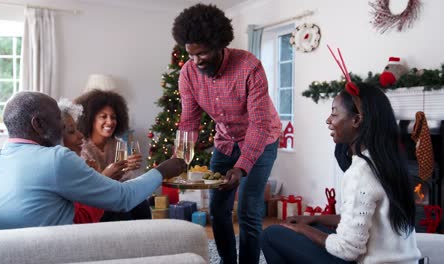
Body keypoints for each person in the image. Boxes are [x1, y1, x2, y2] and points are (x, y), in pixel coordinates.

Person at [0, 91, 186, 230]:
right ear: (38, 124)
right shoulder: (56, 158)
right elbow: (123, 198)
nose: (62, 127)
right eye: (58, 119)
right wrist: (162, 170)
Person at [260, 82, 421, 263]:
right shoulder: (388, 162)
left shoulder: (360, 172)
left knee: (271, 235)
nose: (329, 120)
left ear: (356, 120)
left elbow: (348, 250)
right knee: (317, 226)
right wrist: (314, 218)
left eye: (334, 113)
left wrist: (303, 229)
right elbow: (359, 219)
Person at [172, 4, 282, 264]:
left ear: (219, 44)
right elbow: (189, 121)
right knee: (218, 210)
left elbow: (259, 124)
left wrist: (242, 167)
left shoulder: (249, 67)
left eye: (203, 53)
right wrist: (180, 157)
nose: (197, 61)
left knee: (248, 211)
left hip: (262, 140)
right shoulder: (188, 73)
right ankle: (227, 260)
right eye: (191, 54)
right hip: (225, 142)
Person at [75, 89, 151, 221]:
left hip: (116, 196)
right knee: (122, 212)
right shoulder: (81, 148)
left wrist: (128, 169)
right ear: (90, 119)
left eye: (113, 117)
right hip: (95, 202)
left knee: (141, 203)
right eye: (103, 117)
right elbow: (86, 189)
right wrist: (107, 174)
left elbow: (126, 183)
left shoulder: (118, 145)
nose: (110, 122)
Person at [58, 98, 125, 224]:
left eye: (113, 117)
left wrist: (98, 179)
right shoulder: (64, 165)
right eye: (72, 131)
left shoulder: (118, 144)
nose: (80, 136)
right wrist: (102, 180)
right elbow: (81, 219)